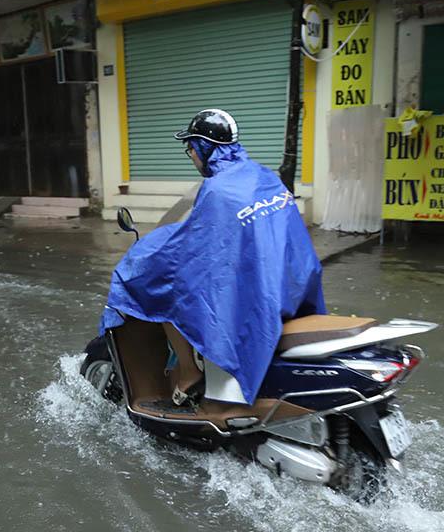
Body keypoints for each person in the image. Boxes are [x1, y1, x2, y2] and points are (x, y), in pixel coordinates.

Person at [99, 109, 326, 404]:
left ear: (205, 148)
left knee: (166, 291)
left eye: (191, 148)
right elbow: (215, 235)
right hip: (293, 284)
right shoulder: (261, 175)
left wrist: (145, 256)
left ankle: (189, 372)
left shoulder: (218, 189)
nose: (190, 155)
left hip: (260, 294)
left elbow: (197, 244)